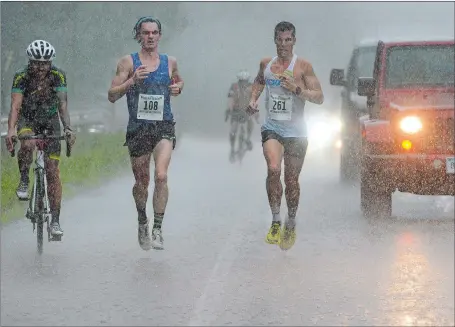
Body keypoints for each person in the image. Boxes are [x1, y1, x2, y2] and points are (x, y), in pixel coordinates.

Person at [107, 17, 184, 251]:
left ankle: (158, 228)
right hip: (139, 128)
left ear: (159, 35)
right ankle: (143, 220)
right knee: (142, 182)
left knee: (161, 176)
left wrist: (178, 87)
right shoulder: (127, 62)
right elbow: (111, 94)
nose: (150, 37)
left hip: (163, 126)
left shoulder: (169, 61)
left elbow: (179, 81)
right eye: (145, 33)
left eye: (154, 32)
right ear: (139, 36)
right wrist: (131, 81)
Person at [247, 21, 324, 250]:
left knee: (291, 180)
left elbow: (319, 97)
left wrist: (297, 89)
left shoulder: (303, 66)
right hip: (273, 128)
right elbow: (258, 83)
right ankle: (275, 220)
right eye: (279, 40)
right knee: (273, 169)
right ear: (274, 40)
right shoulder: (266, 64)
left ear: (294, 41)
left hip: (297, 132)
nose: (283, 44)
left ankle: (290, 221)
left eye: (287, 40)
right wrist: (252, 100)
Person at [5, 39, 76, 237]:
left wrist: (68, 128)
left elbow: (63, 105)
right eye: (36, 62)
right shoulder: (21, 76)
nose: (40, 67)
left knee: (52, 173)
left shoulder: (58, 75)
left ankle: (55, 220)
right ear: (30, 61)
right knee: (27, 143)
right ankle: (24, 179)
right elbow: (15, 106)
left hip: (50, 120)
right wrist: (11, 129)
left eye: (45, 63)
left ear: (51, 62)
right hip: (28, 119)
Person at [225, 70, 259, 161]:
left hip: (247, 112)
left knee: (250, 124)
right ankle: (232, 150)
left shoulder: (252, 87)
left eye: (245, 81)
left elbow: (254, 101)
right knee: (233, 130)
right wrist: (229, 110)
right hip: (236, 111)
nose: (243, 83)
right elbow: (231, 99)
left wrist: (256, 114)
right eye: (242, 81)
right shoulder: (234, 86)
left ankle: (247, 139)